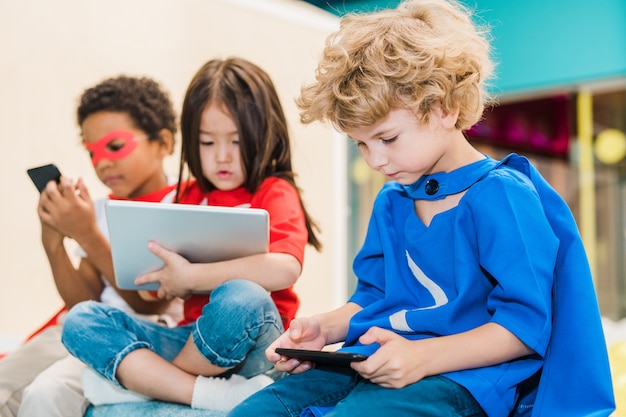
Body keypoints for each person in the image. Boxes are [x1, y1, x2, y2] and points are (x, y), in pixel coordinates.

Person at [228, 1, 615, 416]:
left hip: (464, 380)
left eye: (388, 139)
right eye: (361, 144)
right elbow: (373, 299)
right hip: (374, 361)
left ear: (444, 108)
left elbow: (524, 328)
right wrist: (323, 328)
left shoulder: (502, 196)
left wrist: (422, 358)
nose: (374, 160)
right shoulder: (391, 201)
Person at [61, 56, 322, 412]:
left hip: (258, 346)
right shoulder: (186, 195)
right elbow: (152, 289)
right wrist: (164, 276)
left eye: (236, 141)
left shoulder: (273, 190)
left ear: (264, 135)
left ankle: (153, 384)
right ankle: (199, 394)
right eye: (207, 143)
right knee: (81, 321)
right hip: (193, 341)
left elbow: (285, 268)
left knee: (241, 295)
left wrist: (192, 277)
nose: (223, 158)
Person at [0, 75, 182, 417]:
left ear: (164, 143)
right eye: (91, 151)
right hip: (81, 327)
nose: (102, 162)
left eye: (114, 147)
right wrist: (52, 243)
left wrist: (86, 234)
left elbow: (145, 303)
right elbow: (81, 301)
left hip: (140, 333)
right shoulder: (98, 209)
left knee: (44, 395)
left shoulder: (181, 203)